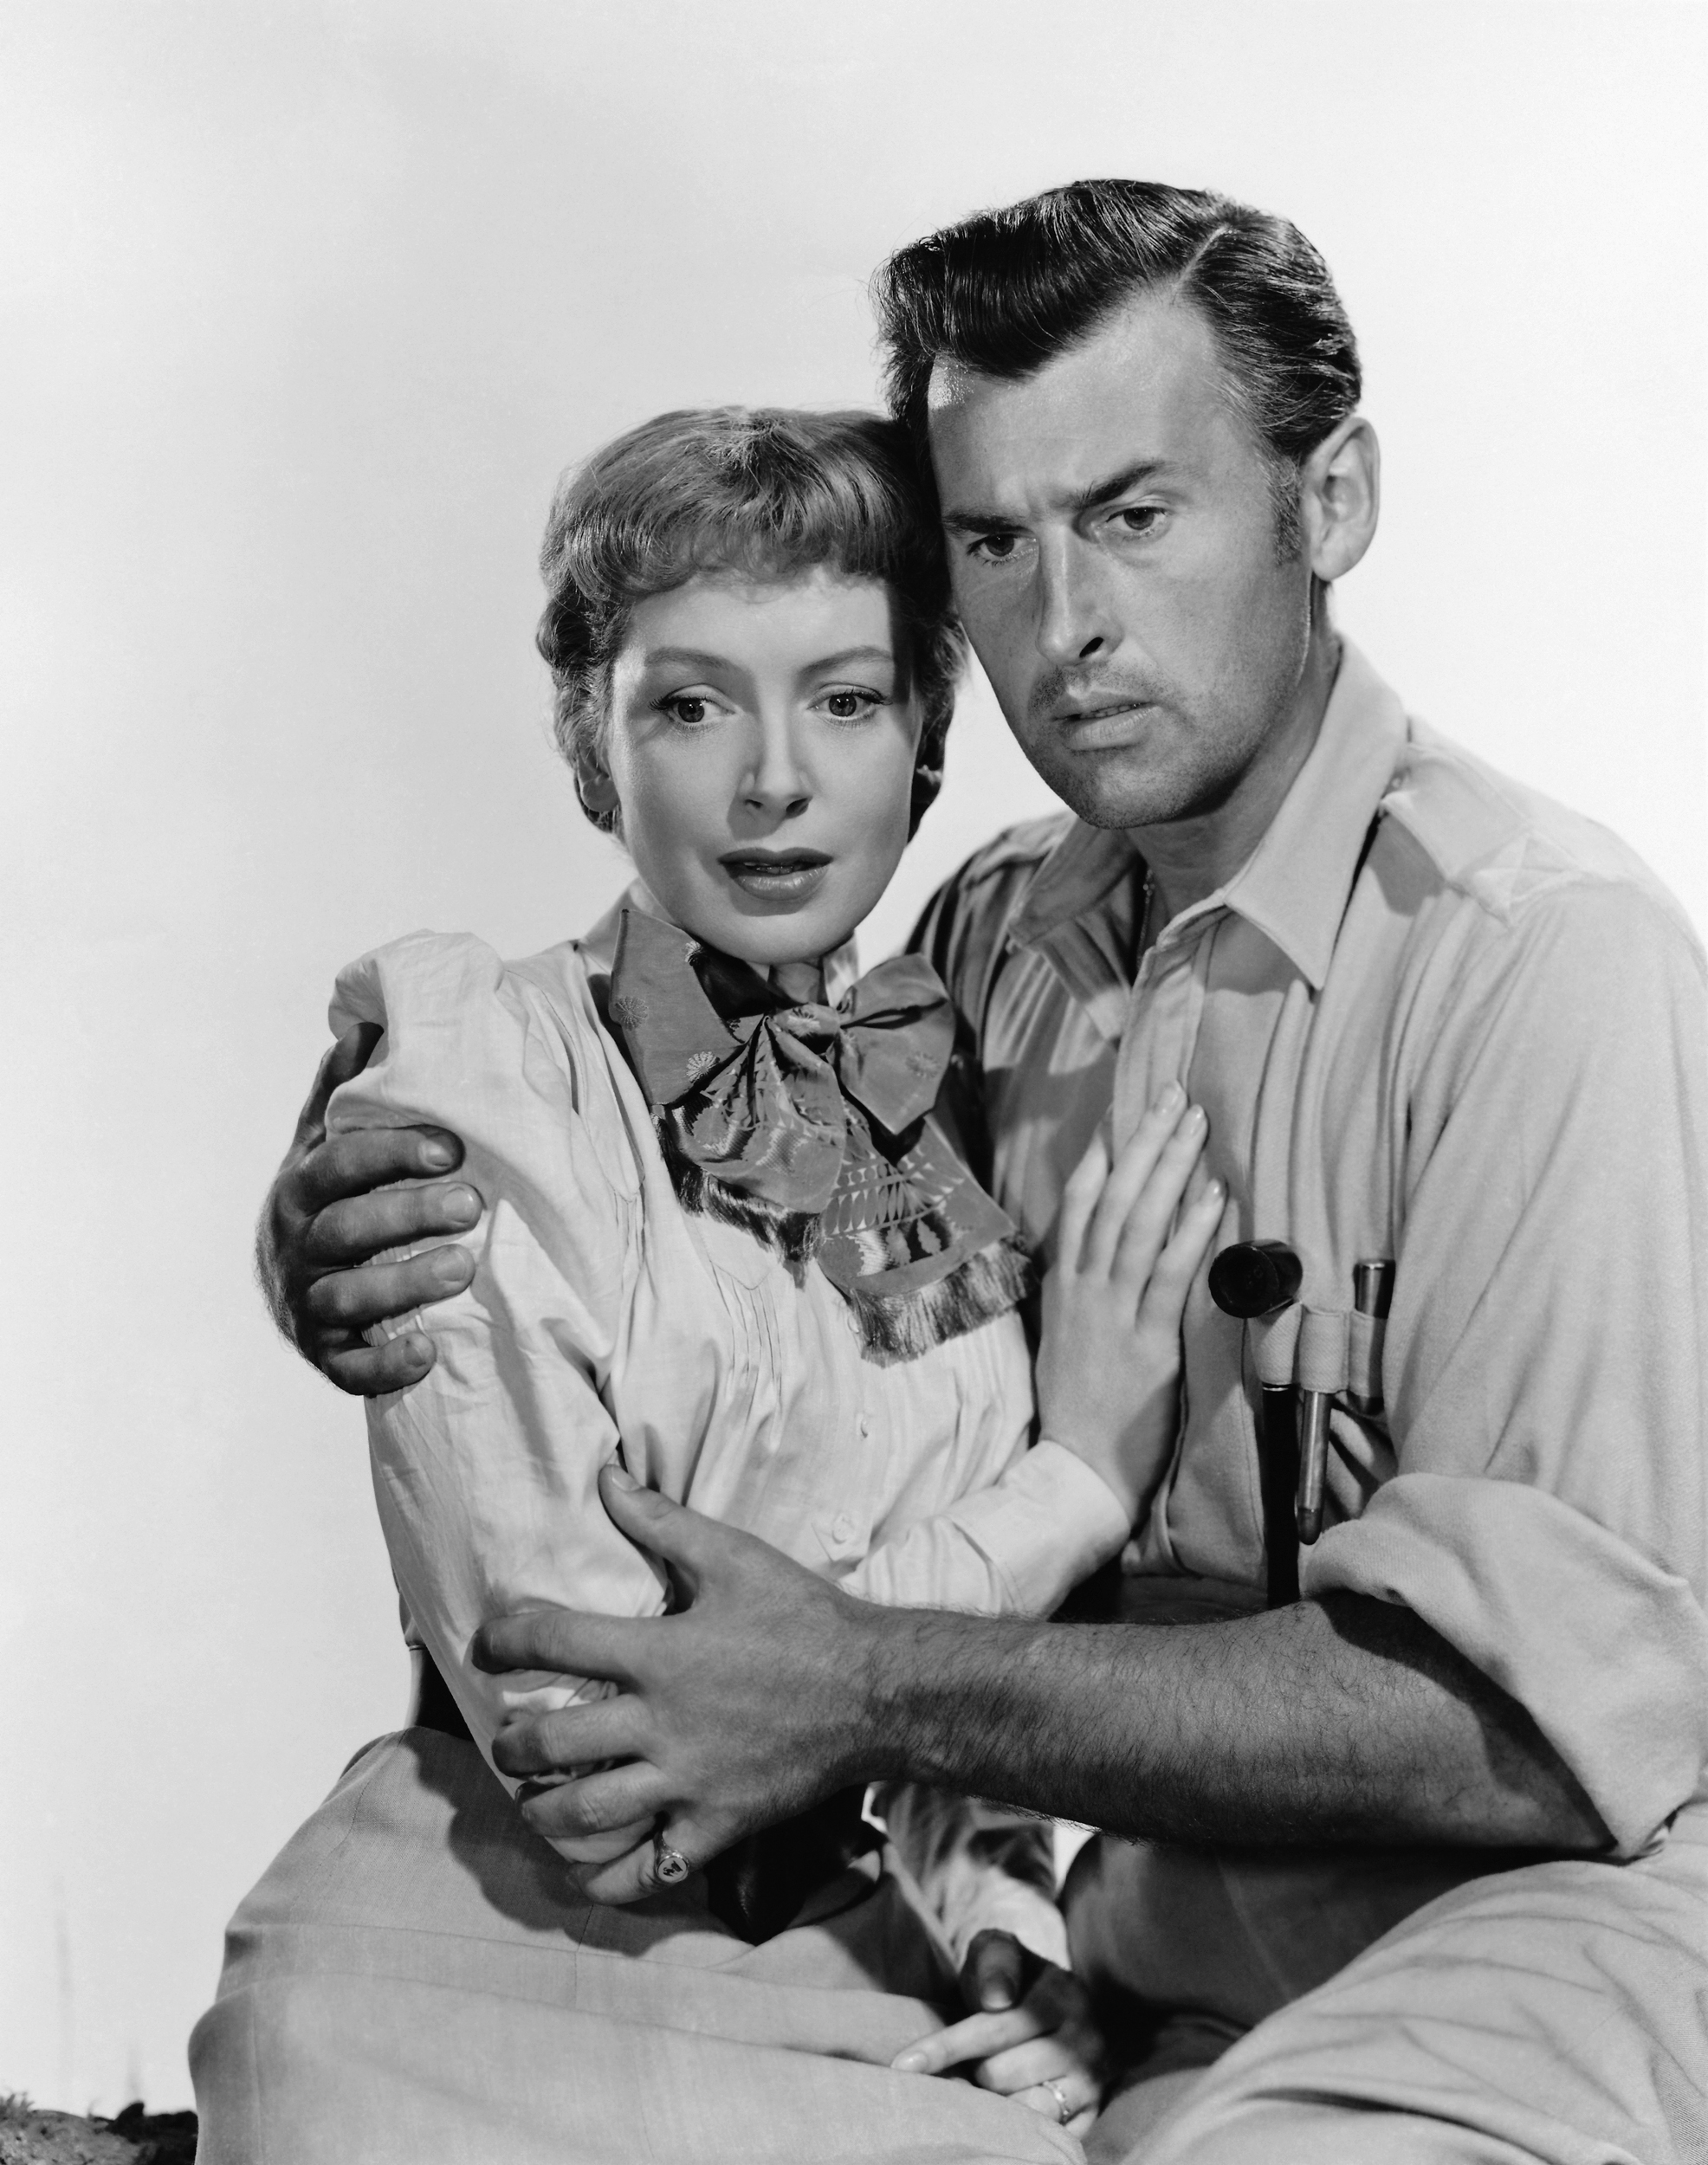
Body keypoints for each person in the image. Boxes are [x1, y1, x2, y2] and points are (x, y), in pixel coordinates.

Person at [265, 180, 1708, 2162]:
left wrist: (870, 1680)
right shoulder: (983, 940)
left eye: (1133, 515)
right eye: (995, 543)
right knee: (366, 2019)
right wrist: (360, 1229)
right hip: (1083, 1933)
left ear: (1330, 501)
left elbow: (1522, 1734)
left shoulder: (1539, 957)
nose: (1063, 624)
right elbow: (705, 1345)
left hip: (1508, 1930)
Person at [191, 403, 1229, 2164]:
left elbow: (941, 1722)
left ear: (927, 740)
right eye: (689, 705)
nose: (773, 781)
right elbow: (602, 1760)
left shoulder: (945, 1103)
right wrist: (1071, 1484)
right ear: (590, 750)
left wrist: (1007, 1933)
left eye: (845, 699)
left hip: (862, 1971)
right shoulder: (476, 1078)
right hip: (469, 1963)